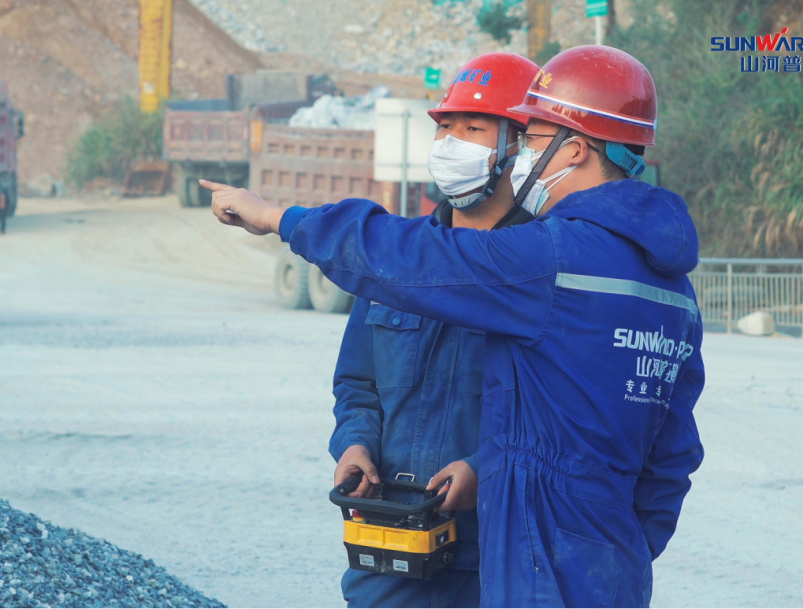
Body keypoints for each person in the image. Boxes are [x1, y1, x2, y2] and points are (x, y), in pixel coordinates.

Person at [206, 45, 705, 608]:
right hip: (590, 567)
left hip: (526, 563)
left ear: (578, 149)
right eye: (448, 127)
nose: (523, 157)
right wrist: (620, 549)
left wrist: (280, 218)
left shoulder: (545, 261)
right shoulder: (675, 292)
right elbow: (671, 453)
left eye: (534, 139)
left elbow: (407, 256)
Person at [331, 52, 539, 608]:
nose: (452, 142)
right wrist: (354, 443)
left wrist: (482, 469)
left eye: (474, 128)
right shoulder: (399, 261)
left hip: (496, 558)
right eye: (447, 126)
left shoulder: (541, 274)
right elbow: (357, 384)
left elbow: (562, 421)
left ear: (521, 148)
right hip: (391, 545)